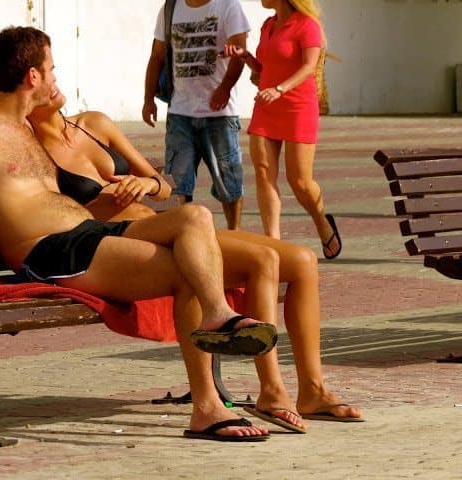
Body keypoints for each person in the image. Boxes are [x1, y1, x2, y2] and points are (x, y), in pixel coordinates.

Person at [0, 26, 279, 442]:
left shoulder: (30, 129)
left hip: (87, 234)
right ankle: (207, 405)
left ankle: (215, 315)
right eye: (51, 68)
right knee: (185, 268)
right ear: (32, 76)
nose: (53, 76)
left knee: (194, 217)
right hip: (50, 252)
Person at [27, 88, 363, 430]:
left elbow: (162, 184)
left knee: (304, 261)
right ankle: (272, 390)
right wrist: (100, 204)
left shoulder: (93, 124)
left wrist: (142, 184)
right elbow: (60, 219)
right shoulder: (34, 150)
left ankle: (312, 390)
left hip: (175, 230)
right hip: (126, 242)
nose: (52, 83)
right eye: (43, 75)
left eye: (53, 71)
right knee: (263, 260)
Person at [222, 0, 342, 259]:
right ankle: (273, 243)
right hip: (267, 106)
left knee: (300, 182)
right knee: (264, 173)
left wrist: (279, 90)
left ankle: (322, 222)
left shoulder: (307, 25)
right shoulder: (268, 25)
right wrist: (244, 57)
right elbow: (265, 69)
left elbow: (308, 66)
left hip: (298, 107)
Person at [142, 0, 251, 230]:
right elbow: (157, 56)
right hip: (180, 114)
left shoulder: (228, 6)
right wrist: (148, 99)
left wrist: (225, 87)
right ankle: (180, 237)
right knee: (176, 185)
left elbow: (239, 52)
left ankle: (234, 234)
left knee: (229, 184)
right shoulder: (170, 8)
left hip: (220, 115)